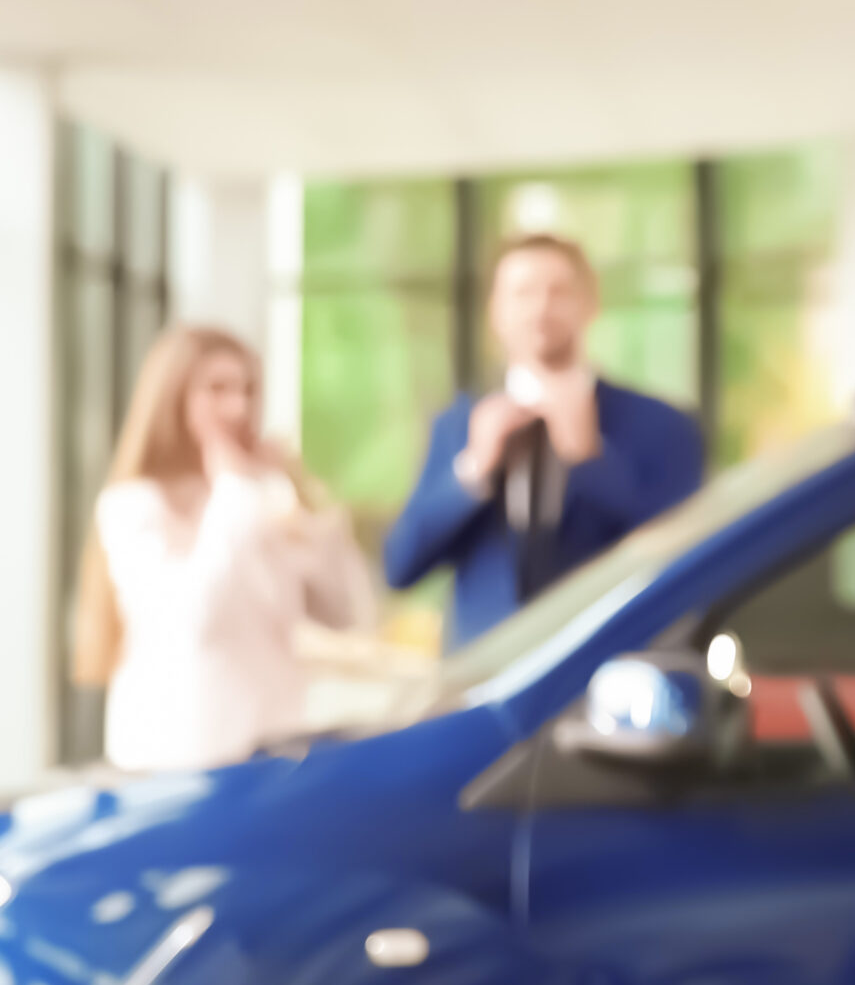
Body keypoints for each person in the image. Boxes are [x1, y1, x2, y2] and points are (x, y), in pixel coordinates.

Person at [74, 325, 375, 772]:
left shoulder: (261, 498)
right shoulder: (133, 507)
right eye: (217, 390)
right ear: (173, 399)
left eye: (249, 390)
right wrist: (234, 486)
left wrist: (308, 503)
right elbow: (194, 618)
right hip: (177, 758)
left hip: (269, 751)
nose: (239, 407)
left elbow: (345, 614)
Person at [383, 231, 703, 644]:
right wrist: (473, 470)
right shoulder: (458, 425)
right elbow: (400, 567)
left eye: (559, 292)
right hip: (483, 677)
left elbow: (682, 561)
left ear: (590, 304)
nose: (540, 308)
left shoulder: (662, 425)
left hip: (606, 668)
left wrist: (589, 460)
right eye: (522, 293)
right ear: (494, 312)